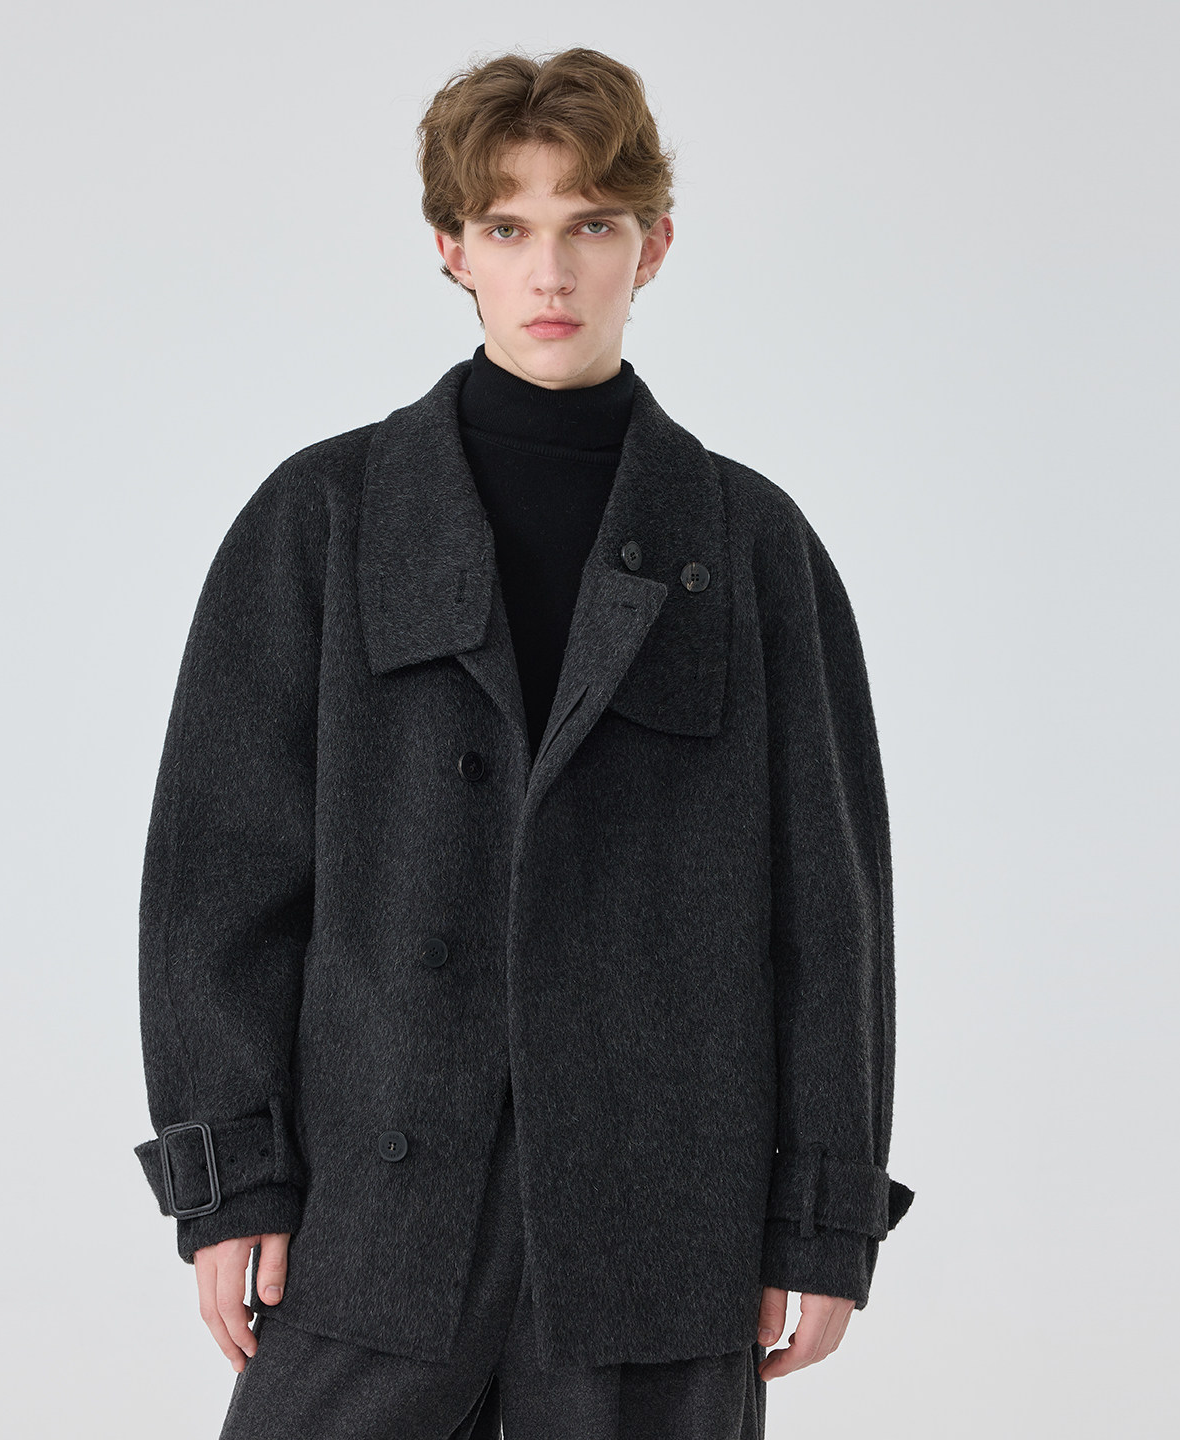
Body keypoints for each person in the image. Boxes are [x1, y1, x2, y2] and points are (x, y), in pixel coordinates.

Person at [133, 45, 914, 1440]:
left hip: (659, 1220)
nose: (551, 272)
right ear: (452, 248)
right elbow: (220, 886)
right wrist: (231, 1183)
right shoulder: (323, 521)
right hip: (374, 1215)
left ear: (652, 245)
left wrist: (823, 1217)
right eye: (508, 228)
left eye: (590, 225)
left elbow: (831, 915)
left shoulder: (750, 547)